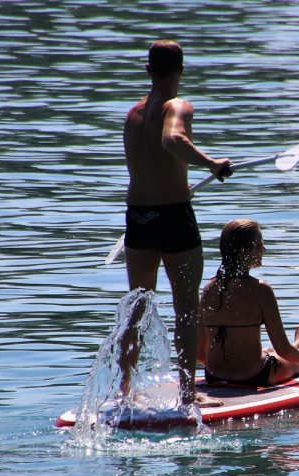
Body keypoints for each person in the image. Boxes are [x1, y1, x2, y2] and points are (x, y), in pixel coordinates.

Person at [120, 40, 232, 405]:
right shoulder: (178, 105)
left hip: (138, 218)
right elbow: (172, 139)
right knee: (186, 308)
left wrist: (178, 182)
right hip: (172, 218)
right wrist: (212, 164)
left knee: (137, 307)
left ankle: (124, 392)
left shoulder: (133, 114)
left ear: (147, 70)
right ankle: (188, 395)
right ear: (182, 70)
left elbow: (150, 166)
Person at [198, 219, 299, 387]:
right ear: (244, 252)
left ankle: (298, 345)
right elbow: (283, 349)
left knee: (269, 352)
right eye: (260, 244)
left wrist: (227, 368)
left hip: (213, 375)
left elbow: (200, 354)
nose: (264, 249)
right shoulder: (261, 290)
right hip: (255, 375)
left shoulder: (208, 289)